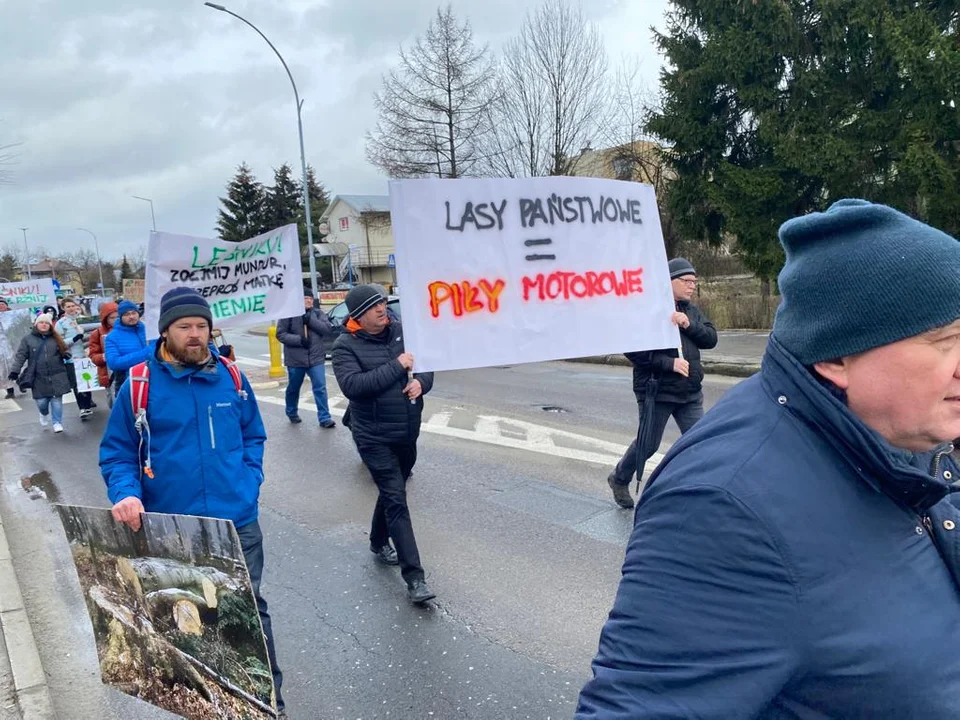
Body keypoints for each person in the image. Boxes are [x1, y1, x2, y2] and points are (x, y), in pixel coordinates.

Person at [576, 199, 960, 719]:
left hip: (692, 392)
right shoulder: (721, 507)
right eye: (946, 341)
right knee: (644, 446)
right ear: (837, 355)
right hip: (662, 392)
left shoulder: (909, 434)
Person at [99, 287, 286, 715]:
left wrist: (249, 479)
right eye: (185, 327)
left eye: (202, 326)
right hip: (174, 527)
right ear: (166, 331)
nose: (196, 335)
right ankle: (205, 704)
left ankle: (269, 704)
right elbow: (118, 452)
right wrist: (126, 493)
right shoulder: (140, 386)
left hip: (235, 522)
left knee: (248, 613)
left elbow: (253, 435)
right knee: (186, 616)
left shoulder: (233, 379)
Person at [331, 284, 436, 604]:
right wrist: (398, 365)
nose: (383, 310)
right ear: (358, 316)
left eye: (383, 304)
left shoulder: (403, 332)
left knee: (394, 491)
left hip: (407, 430)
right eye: (375, 307)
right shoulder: (344, 346)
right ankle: (415, 578)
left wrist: (422, 382)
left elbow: (426, 363)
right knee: (396, 499)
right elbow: (354, 386)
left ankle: (378, 540)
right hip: (373, 436)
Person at [606, 257, 717, 509]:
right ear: (669, 282)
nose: (691, 286)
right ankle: (619, 478)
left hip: (689, 392)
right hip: (657, 391)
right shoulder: (648, 310)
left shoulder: (690, 310)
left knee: (701, 442)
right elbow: (632, 349)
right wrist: (669, 363)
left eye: (694, 282)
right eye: (686, 281)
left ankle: (703, 493)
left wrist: (688, 325)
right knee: (648, 445)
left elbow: (711, 338)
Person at [276, 289, 336, 427]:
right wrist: (299, 340)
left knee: (320, 387)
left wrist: (311, 321)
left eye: (310, 298)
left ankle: (324, 418)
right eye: (305, 298)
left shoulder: (318, 313)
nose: (308, 301)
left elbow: (327, 329)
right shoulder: (289, 314)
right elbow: (280, 334)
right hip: (296, 359)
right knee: (294, 387)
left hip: (316, 358)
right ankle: (291, 411)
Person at [8, 313, 72, 433]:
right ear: (36, 324)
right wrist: (15, 371)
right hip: (38, 376)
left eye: (46, 323)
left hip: (57, 374)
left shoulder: (55, 338)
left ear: (50, 325)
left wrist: (66, 354)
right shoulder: (28, 339)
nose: (44, 325)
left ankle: (57, 422)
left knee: (56, 400)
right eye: (41, 322)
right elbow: (21, 356)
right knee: (42, 402)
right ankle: (44, 413)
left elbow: (65, 350)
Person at [56, 297, 95, 419]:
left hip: (87, 355)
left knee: (87, 380)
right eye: (68, 306)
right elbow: (59, 342)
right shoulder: (61, 323)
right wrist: (74, 339)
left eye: (72, 306)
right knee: (77, 383)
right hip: (73, 357)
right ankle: (83, 408)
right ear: (63, 308)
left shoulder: (83, 320)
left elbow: (93, 333)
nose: (71, 308)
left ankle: (88, 403)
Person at [105, 300, 148, 390]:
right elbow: (113, 363)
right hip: (128, 384)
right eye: (126, 314)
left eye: (134, 313)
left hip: (153, 381)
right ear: (120, 317)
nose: (131, 317)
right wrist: (146, 354)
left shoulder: (148, 330)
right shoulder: (112, 337)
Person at [87, 301, 118, 397]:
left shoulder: (130, 330)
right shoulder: (97, 334)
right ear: (105, 319)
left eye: (118, 317)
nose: (116, 320)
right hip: (109, 374)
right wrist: (104, 357)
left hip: (127, 371)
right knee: (113, 400)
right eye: (112, 318)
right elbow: (93, 355)